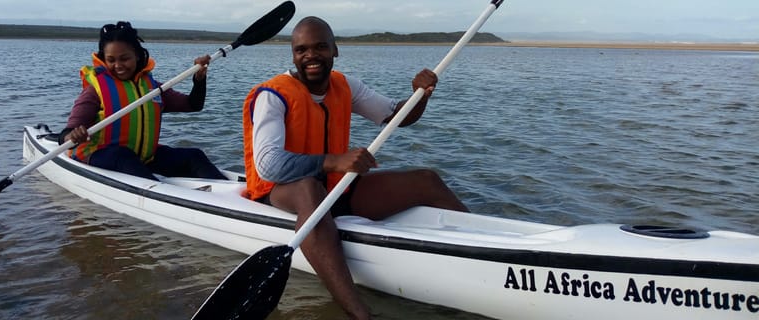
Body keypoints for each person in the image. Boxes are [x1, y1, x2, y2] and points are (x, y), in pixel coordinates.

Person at [241, 17, 470, 320]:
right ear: (294, 55)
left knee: (427, 180)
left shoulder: (345, 85)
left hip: (334, 188)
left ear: (335, 50)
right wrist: (334, 160)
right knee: (311, 189)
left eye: (320, 47)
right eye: (301, 50)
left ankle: (486, 253)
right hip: (281, 190)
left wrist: (420, 95)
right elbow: (269, 166)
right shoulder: (272, 96)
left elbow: (396, 116)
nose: (311, 55)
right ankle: (360, 314)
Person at [62, 21, 226, 181]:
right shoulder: (95, 91)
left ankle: (235, 195)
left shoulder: (152, 88)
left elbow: (193, 105)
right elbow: (65, 136)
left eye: (124, 58)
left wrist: (199, 79)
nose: (118, 65)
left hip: (142, 159)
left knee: (194, 156)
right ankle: (161, 196)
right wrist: (73, 136)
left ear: (137, 56)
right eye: (111, 60)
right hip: (99, 156)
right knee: (123, 155)